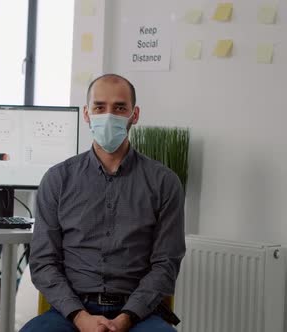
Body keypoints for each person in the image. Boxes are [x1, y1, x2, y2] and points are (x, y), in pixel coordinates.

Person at [21, 74, 185, 332]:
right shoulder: (58, 180)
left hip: (138, 315)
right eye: (99, 107)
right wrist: (80, 317)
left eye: (120, 107)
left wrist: (126, 318)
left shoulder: (164, 183)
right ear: (87, 114)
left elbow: (166, 265)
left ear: (135, 114)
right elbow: (43, 262)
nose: (109, 115)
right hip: (71, 313)